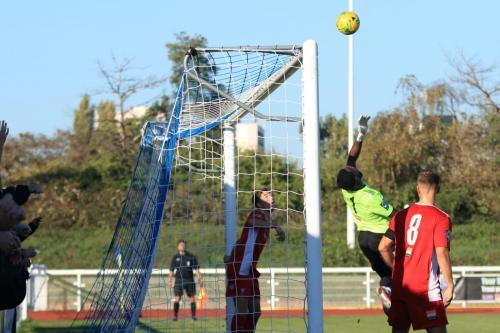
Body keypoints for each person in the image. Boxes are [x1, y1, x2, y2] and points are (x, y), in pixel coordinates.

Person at [378, 170, 453, 333]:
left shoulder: (399, 216)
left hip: (400, 286)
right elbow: (442, 254)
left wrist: (398, 271)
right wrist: (450, 285)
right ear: (437, 189)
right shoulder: (441, 218)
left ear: (417, 189)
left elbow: (383, 247)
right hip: (425, 289)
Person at [336, 115, 394, 313]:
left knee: (386, 275)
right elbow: (394, 215)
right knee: (401, 270)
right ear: (355, 177)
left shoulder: (346, 189)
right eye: (351, 169)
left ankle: (389, 305)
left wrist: (361, 134)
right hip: (381, 237)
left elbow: (352, 157)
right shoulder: (369, 196)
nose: (351, 165)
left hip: (364, 239)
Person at [225, 189, 286, 333]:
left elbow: (241, 240)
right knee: (243, 311)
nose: (271, 197)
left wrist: (230, 256)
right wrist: (276, 227)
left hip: (249, 270)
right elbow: (253, 221)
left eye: (271, 194)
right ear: (259, 202)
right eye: (266, 195)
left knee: (256, 312)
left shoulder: (266, 220)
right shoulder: (257, 214)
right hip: (240, 269)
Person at [168, 240, 202, 321]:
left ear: (185, 246)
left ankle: (193, 316)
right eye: (180, 245)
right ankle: (175, 316)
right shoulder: (175, 257)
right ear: (178, 247)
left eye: (183, 245)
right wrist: (169, 281)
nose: (182, 246)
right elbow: (171, 270)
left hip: (189, 280)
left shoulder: (191, 257)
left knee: (192, 298)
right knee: (177, 298)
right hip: (179, 280)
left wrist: (200, 280)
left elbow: (196, 270)